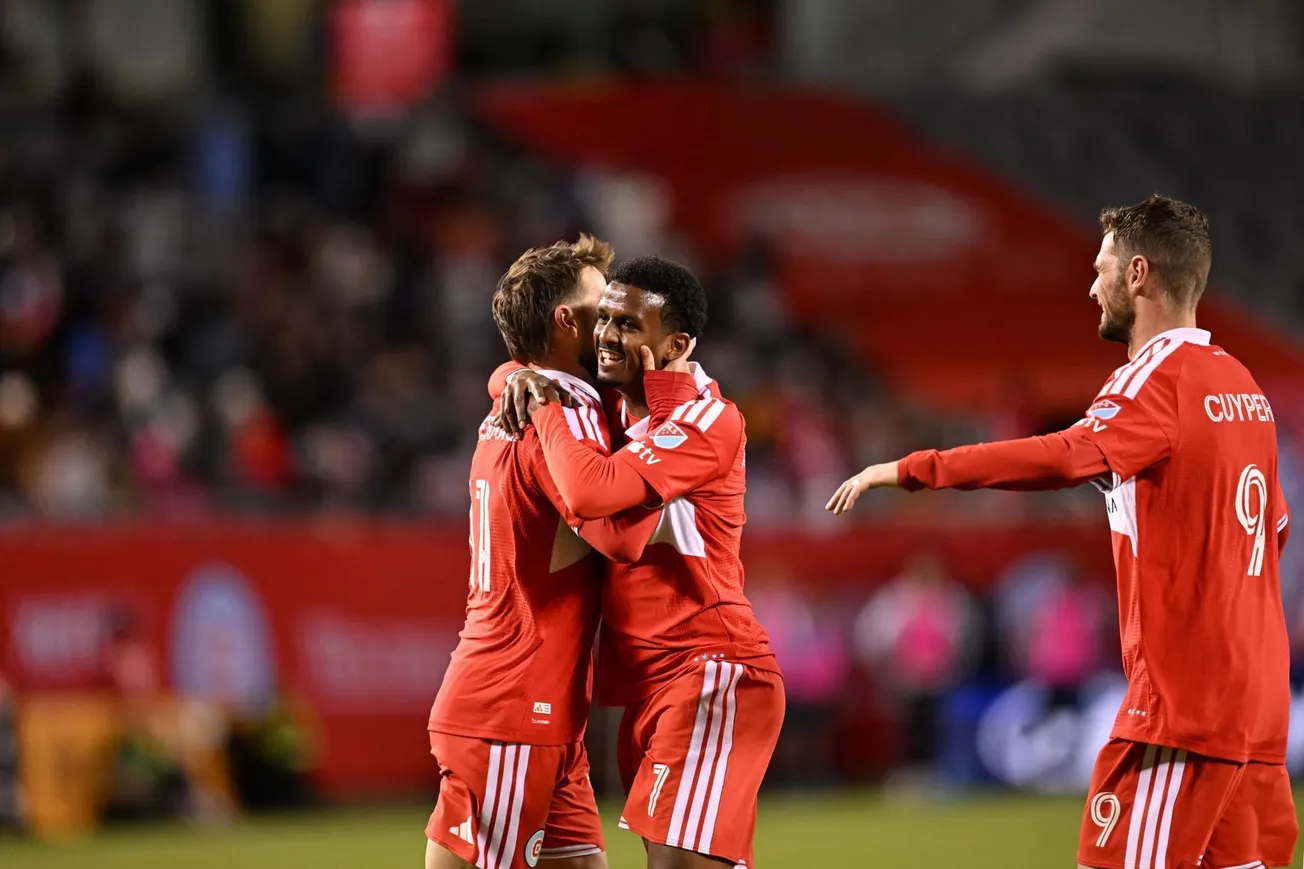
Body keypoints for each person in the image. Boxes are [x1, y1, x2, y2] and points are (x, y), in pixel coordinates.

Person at [827, 195, 1296, 869]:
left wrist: (916, 469)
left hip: (1182, 709)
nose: (1090, 286)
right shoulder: (1243, 387)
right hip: (1258, 704)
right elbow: (1272, 530)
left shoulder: (1151, 381)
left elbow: (1061, 456)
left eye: (1100, 268)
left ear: (1138, 274)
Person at [508, 256, 785, 869]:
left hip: (710, 668)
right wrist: (516, 377)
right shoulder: (616, 410)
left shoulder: (706, 418)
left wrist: (547, 407)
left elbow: (594, 498)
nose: (606, 335)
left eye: (628, 326)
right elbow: (520, 364)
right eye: (603, 318)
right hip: (648, 683)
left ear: (677, 343)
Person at [426, 235, 661, 869]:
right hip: (513, 705)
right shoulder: (569, 411)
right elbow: (619, 531)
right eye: (599, 304)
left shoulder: (519, 398)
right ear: (565, 320)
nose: (613, 317)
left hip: (534, 705)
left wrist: (509, 370)